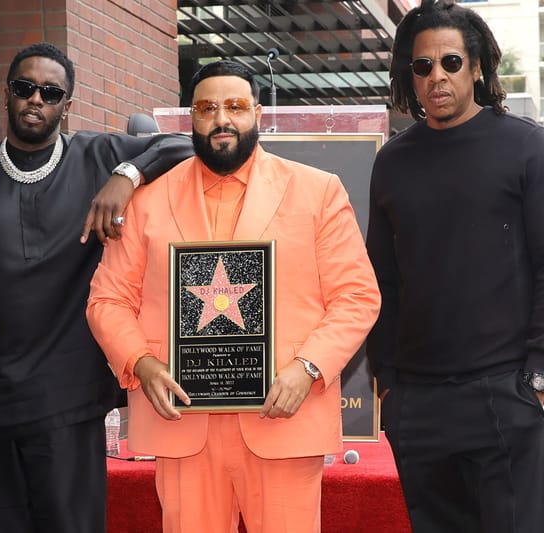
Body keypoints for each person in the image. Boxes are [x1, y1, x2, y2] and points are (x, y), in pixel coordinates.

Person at [86, 60, 380, 533]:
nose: (222, 119)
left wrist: (307, 369)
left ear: (258, 113)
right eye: (207, 108)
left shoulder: (318, 192)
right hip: (182, 423)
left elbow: (357, 296)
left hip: (283, 418)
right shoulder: (146, 203)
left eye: (236, 106)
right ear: (191, 119)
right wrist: (141, 362)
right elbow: (107, 301)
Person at [0, 42, 193, 533]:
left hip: (68, 398)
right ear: (6, 95)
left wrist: (128, 175)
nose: (36, 100)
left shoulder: (101, 156)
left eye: (51, 93)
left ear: (66, 106)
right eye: (25, 88)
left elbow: (187, 144)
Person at [365, 1, 544, 531]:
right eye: (422, 66)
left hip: (505, 394)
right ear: (409, 75)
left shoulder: (526, 146)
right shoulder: (392, 160)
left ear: (478, 68)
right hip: (417, 404)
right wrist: (388, 384)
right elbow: (382, 279)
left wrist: (536, 376)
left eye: (450, 62)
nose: (436, 76)